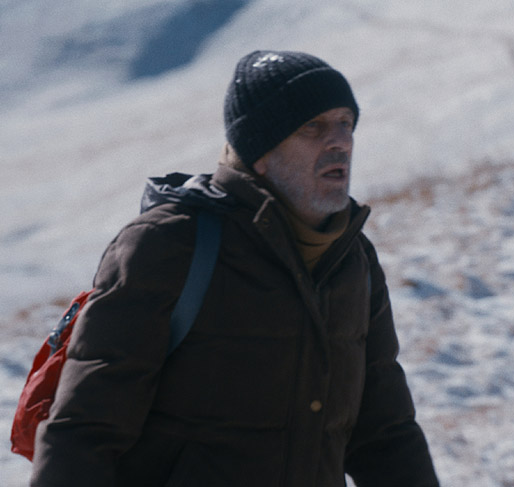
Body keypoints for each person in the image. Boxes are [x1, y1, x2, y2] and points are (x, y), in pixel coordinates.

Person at [31, 50, 439, 487]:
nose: (340, 140)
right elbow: (84, 430)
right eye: (312, 127)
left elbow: (385, 433)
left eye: (345, 122)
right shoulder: (169, 244)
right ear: (259, 151)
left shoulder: (352, 259)